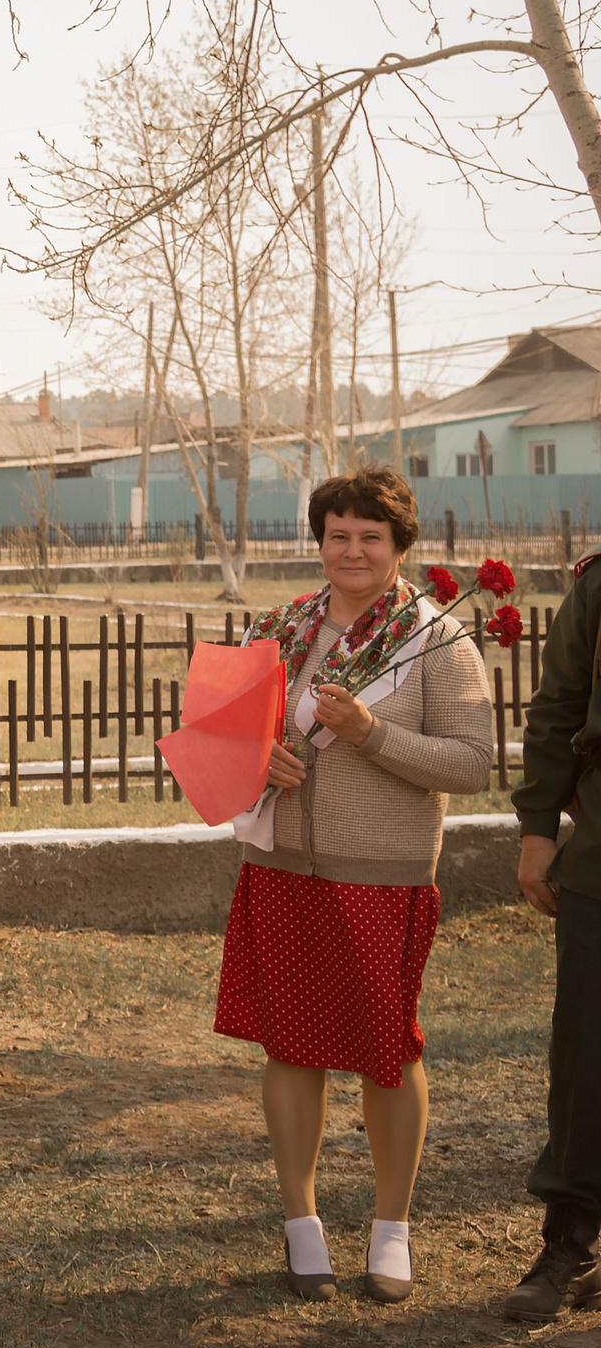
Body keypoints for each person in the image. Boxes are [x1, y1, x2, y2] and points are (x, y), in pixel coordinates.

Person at [217, 466, 491, 1304]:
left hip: (380, 877)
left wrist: (369, 733)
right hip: (282, 870)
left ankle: (390, 1229)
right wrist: (255, 756)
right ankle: (301, 1224)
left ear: (401, 546)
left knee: (385, 1053)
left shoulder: (436, 640)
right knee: (291, 1046)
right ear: (320, 541)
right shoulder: (284, 627)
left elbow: (474, 764)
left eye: (371, 536)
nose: (353, 550)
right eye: (338, 534)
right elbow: (225, 736)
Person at [512, 542, 601, 1319]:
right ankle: (568, 1241)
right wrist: (538, 827)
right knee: (585, 1053)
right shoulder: (600, 585)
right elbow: (560, 705)